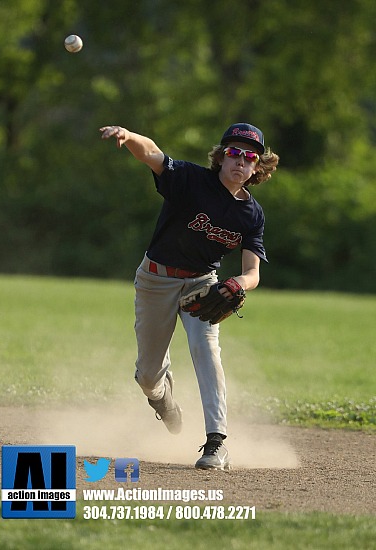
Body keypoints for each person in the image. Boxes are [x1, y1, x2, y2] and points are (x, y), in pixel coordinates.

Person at [100, 123, 279, 470]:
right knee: (149, 376)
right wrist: (129, 136)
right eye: (234, 152)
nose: (240, 161)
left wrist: (238, 284)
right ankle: (162, 399)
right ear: (221, 156)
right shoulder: (191, 180)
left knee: (206, 350)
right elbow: (153, 154)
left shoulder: (251, 214)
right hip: (155, 280)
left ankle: (216, 443)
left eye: (249, 157)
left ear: (257, 167)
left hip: (201, 284)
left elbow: (253, 272)